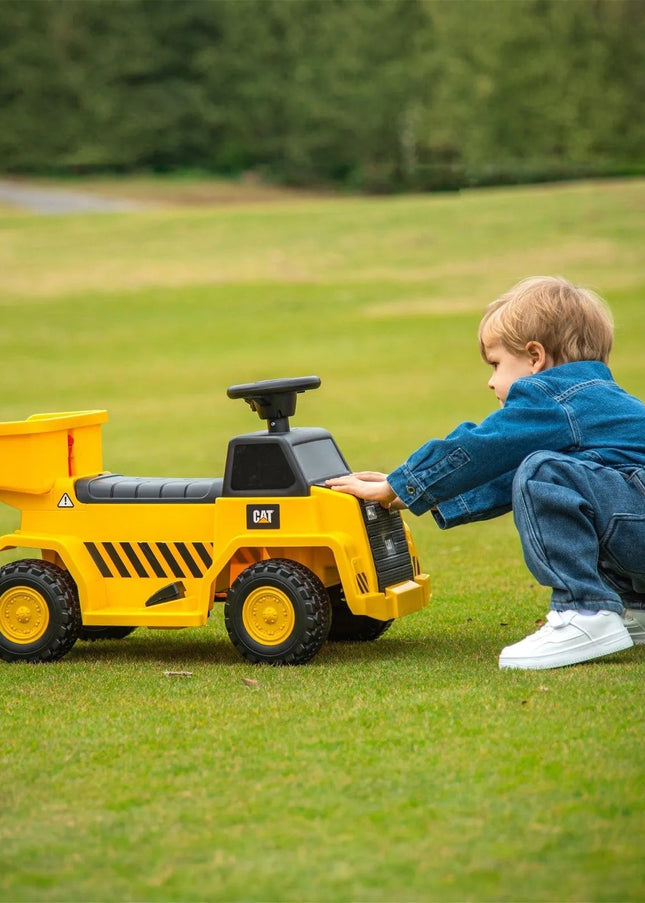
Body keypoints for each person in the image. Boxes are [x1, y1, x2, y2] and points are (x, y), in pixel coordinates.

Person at [327, 276, 645, 670]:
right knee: (551, 475)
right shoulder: (594, 398)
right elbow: (506, 475)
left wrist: (406, 481)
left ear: (535, 357)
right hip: (635, 521)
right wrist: (409, 493)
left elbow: (485, 447)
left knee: (543, 471)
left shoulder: (554, 396)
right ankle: (635, 607)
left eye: (496, 364)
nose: (491, 380)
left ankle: (586, 613)